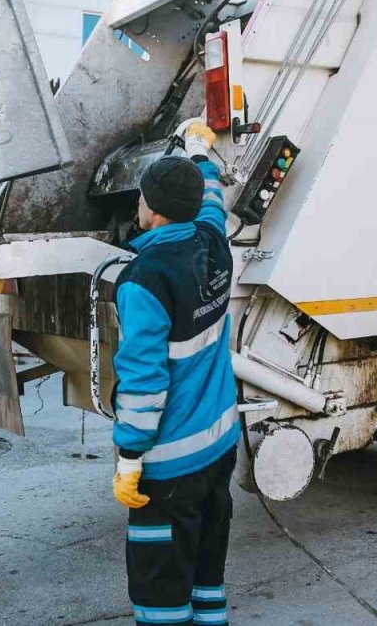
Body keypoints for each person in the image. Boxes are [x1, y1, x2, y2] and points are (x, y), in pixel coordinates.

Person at [112, 119, 238, 626]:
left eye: (141, 198)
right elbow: (212, 200)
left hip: (169, 465)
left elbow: (144, 384)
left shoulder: (144, 280)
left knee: (161, 589)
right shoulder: (213, 244)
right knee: (207, 576)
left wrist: (129, 458)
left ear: (152, 209)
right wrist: (198, 152)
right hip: (219, 447)